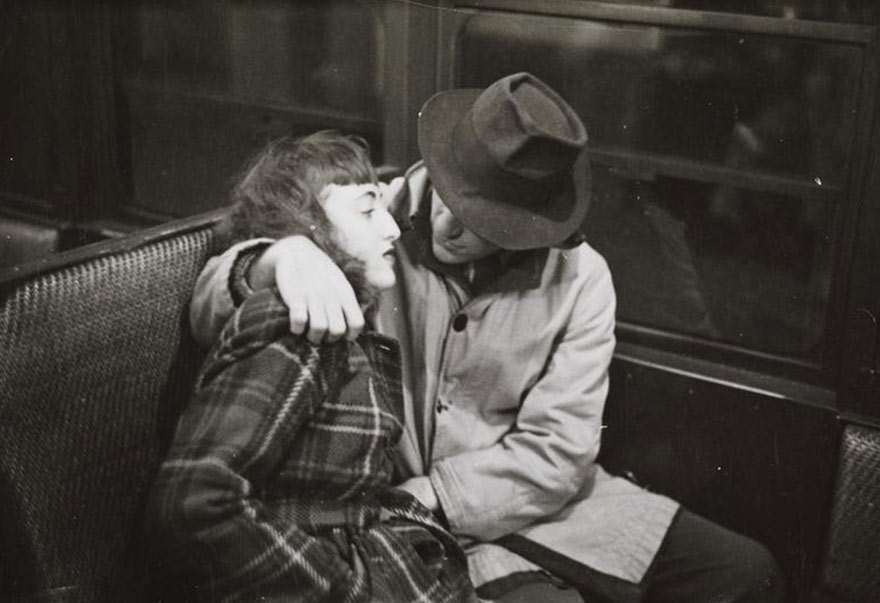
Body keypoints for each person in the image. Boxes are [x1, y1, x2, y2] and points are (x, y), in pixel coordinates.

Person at [190, 74, 784, 602]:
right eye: (450, 196)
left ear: (527, 229)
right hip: (398, 513)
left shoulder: (580, 280)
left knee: (748, 573)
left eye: (482, 223)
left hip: (532, 502)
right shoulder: (378, 218)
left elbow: (560, 452)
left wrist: (436, 495)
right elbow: (214, 307)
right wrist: (273, 260)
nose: (448, 225)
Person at [146, 131, 478, 603]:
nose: (393, 229)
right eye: (367, 211)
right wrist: (346, 590)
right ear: (308, 228)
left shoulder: (344, 315)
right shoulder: (300, 324)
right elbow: (193, 505)